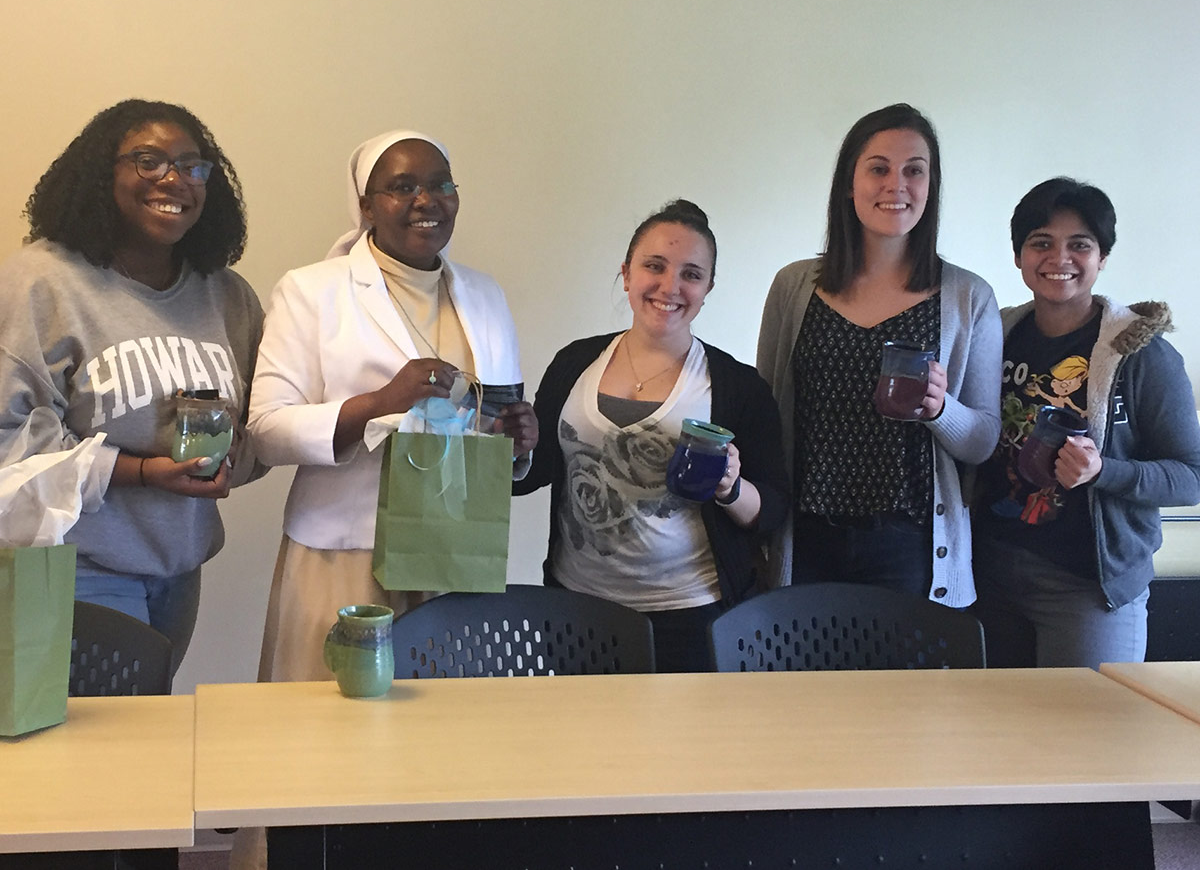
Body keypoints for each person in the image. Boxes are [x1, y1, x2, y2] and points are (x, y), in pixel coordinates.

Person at [246, 129, 537, 683]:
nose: (425, 201)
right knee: (329, 728)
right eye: (402, 187)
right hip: (346, 552)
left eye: (439, 185)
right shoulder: (312, 292)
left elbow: (495, 420)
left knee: (442, 736)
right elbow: (264, 430)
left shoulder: (486, 295)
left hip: (453, 550)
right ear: (366, 206)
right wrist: (381, 402)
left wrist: (518, 442)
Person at [0, 99, 263, 675]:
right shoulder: (42, 282)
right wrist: (141, 472)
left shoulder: (228, 296)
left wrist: (235, 457)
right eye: (149, 161)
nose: (175, 179)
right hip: (77, 565)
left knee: (147, 737)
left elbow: (259, 424)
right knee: (97, 751)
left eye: (194, 167)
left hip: (181, 568)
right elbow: (9, 435)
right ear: (103, 174)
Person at [515, 199, 788, 673]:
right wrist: (514, 446)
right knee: (583, 744)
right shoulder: (573, 363)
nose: (670, 286)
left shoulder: (737, 386)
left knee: (685, 748)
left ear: (708, 287)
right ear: (626, 274)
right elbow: (533, 470)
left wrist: (731, 489)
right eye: (654, 267)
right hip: (577, 607)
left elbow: (774, 510)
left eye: (691, 274)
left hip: (694, 616)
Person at [756, 103, 1001, 607]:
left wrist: (940, 410)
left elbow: (983, 440)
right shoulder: (794, 286)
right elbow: (766, 415)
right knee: (802, 686)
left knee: (902, 689)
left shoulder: (968, 297)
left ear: (930, 187)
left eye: (915, 170)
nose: (897, 184)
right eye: (878, 168)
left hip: (909, 548)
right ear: (850, 184)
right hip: (806, 539)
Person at [972, 177, 1200, 668]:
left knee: (1089, 737)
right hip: (988, 576)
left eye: (1080, 245)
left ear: (1102, 258)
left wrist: (1104, 472)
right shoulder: (994, 336)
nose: (1060, 259)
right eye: (1041, 243)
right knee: (993, 737)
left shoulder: (1141, 355)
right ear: (1019, 256)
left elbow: (1191, 476)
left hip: (1087, 590)